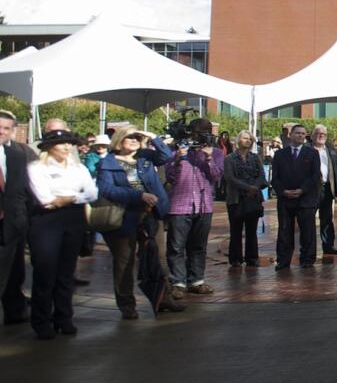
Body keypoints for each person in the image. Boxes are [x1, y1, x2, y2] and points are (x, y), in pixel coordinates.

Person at [25, 128, 97, 339]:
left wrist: (68, 198)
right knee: (45, 273)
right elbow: (45, 199)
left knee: (66, 273)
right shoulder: (36, 168)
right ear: (49, 147)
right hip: (45, 223)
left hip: (73, 219)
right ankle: (41, 321)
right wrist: (75, 195)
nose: (67, 147)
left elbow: (92, 193)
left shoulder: (79, 168)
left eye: (70, 143)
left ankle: (64, 318)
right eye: (62, 143)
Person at [95, 126, 173, 319]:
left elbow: (166, 156)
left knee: (159, 257)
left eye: (137, 137)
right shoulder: (107, 163)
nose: (134, 140)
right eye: (129, 137)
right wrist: (139, 196)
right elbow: (107, 190)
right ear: (119, 140)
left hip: (151, 215)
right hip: (124, 217)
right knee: (125, 262)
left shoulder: (145, 156)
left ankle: (164, 298)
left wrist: (152, 136)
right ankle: (127, 305)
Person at [165, 124, 223, 299]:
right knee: (176, 246)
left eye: (205, 134)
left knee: (198, 246)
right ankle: (178, 282)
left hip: (204, 205)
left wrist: (209, 158)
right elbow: (170, 176)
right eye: (199, 133)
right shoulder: (178, 150)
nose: (201, 138)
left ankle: (196, 280)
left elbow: (217, 177)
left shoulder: (217, 152)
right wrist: (178, 159)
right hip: (180, 205)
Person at [270, 123, 321, 270]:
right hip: (285, 200)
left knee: (307, 232)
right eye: (297, 133)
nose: (300, 135)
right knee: (285, 231)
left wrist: (302, 190)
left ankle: (307, 259)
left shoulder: (312, 153)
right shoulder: (280, 154)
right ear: (290, 135)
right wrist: (283, 191)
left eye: (303, 133)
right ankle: (283, 260)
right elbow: (275, 178)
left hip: (305, 199)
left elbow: (315, 175)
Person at [0, 109, 33, 326]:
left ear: (13, 131)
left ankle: (15, 312)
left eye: (5, 128)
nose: (1, 132)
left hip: (12, 223)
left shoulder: (20, 155)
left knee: (13, 270)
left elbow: (27, 188)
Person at [223, 130, 266, 267]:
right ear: (238, 141)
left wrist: (255, 187)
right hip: (236, 198)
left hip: (252, 198)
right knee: (236, 230)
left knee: (251, 230)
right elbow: (230, 178)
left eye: (250, 139)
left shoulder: (256, 157)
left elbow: (262, 176)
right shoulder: (229, 158)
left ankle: (252, 257)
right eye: (245, 138)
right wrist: (247, 187)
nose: (248, 141)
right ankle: (235, 258)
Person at [308, 125, 337, 256]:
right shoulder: (307, 150)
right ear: (312, 136)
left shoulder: (330, 150)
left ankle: (328, 245)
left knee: (327, 219)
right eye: (318, 133)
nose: (321, 135)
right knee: (309, 219)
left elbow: (336, 168)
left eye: (323, 133)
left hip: (327, 188)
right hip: (311, 190)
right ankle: (309, 249)